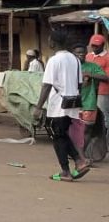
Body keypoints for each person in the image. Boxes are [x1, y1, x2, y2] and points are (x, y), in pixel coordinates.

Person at [32, 30, 89, 182]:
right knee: (61, 135)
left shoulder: (54, 60)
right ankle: (78, 162)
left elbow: (46, 85)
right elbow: (79, 83)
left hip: (58, 105)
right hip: (73, 103)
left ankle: (68, 169)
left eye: (49, 40)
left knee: (58, 137)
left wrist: (38, 107)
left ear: (53, 43)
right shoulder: (75, 59)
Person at [84, 35, 109, 125]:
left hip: (103, 92)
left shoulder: (107, 58)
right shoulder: (88, 56)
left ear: (103, 45)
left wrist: (89, 74)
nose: (94, 48)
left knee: (103, 117)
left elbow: (107, 78)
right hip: (88, 91)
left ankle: (106, 138)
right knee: (89, 117)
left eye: (97, 46)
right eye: (93, 45)